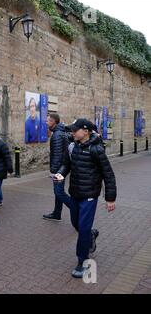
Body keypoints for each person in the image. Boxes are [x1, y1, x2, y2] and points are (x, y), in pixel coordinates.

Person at [54, 118, 116, 278]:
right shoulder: (73, 146)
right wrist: (60, 174)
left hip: (89, 196)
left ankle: (82, 262)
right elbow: (66, 165)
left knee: (82, 228)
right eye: (72, 130)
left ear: (86, 131)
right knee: (77, 225)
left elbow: (108, 174)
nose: (72, 132)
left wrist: (110, 198)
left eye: (75, 130)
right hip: (75, 193)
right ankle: (92, 234)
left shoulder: (97, 150)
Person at [43, 114, 69, 221]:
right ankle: (57, 213)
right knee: (58, 191)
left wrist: (54, 171)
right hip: (62, 167)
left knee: (59, 192)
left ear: (54, 122)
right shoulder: (59, 133)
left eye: (48, 121)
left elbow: (57, 155)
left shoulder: (57, 135)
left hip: (60, 169)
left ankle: (76, 208)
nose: (46, 122)